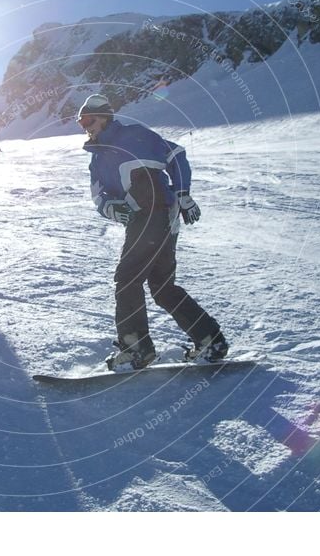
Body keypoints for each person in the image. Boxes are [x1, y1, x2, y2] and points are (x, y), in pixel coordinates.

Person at [79, 94, 227, 370]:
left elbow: (176, 155)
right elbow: (99, 197)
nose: (85, 126)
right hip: (147, 220)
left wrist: (183, 194)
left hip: (157, 215)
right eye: (81, 122)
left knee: (127, 279)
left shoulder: (135, 135)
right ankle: (210, 340)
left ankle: (136, 348)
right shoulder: (97, 160)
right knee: (162, 287)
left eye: (89, 119)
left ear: (106, 117)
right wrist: (113, 208)